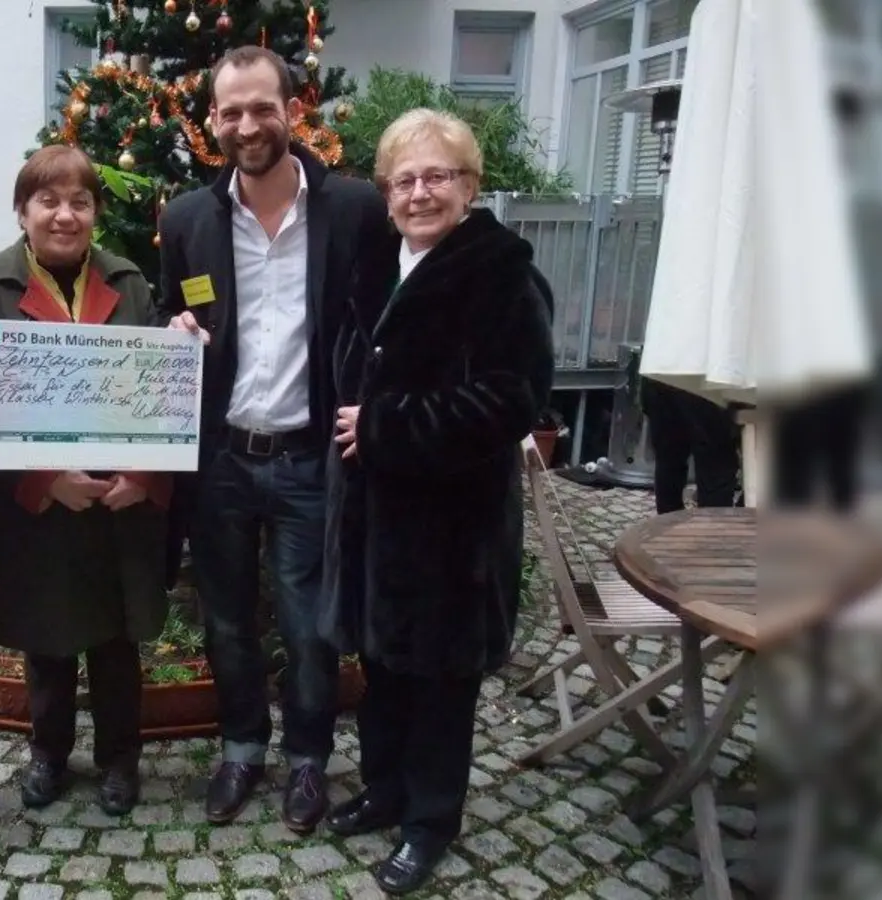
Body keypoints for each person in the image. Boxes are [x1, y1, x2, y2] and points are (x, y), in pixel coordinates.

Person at [158, 46, 395, 833]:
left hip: (306, 456)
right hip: (222, 457)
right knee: (225, 618)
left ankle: (306, 762)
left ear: (293, 109)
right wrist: (175, 325)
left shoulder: (355, 210)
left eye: (263, 107)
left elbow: (387, 323)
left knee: (307, 624)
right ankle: (239, 748)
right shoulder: (187, 218)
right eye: (232, 111)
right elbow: (174, 314)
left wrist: (375, 409)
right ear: (213, 122)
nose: (248, 124)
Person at [319, 108, 554, 895]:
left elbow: (510, 400)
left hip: (453, 529)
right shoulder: (380, 262)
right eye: (405, 180)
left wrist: (384, 425)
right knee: (384, 667)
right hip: (377, 518)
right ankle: (385, 789)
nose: (420, 193)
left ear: (470, 185)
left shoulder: (501, 272)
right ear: (386, 193)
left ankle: (430, 822)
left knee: (441, 681)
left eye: (437, 177)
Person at [0, 145, 173, 816]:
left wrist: (142, 477)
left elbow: (160, 391)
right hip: (39, 505)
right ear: (22, 211)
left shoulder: (130, 282)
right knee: (47, 639)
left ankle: (120, 760)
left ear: (95, 212)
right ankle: (49, 755)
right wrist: (46, 480)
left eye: (79, 202)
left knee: (117, 644)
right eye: (48, 201)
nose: (64, 215)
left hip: (118, 501)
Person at [640, 377, 742, 513]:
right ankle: (714, 530)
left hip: (658, 370)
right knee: (715, 471)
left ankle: (669, 528)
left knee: (669, 462)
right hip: (703, 377)